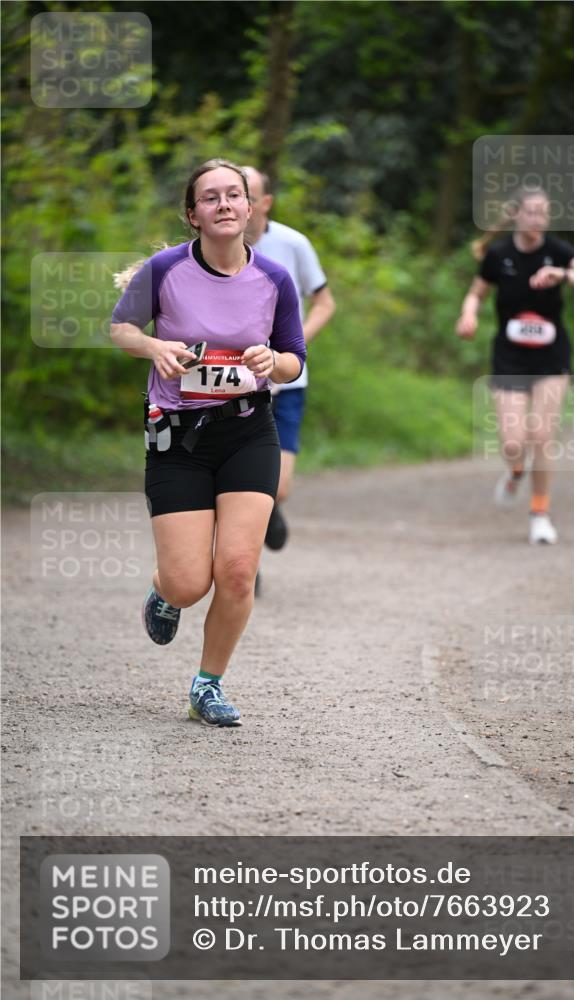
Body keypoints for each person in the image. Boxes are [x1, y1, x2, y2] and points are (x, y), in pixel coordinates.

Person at [110, 158, 306, 726]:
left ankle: (207, 685)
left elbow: (295, 359)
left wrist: (275, 360)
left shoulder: (274, 279)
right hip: (177, 437)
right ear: (193, 214)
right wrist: (155, 348)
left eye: (234, 195)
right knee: (189, 580)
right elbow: (122, 326)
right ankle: (164, 593)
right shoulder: (164, 270)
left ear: (251, 208)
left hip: (248, 429)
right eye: (210, 197)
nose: (224, 204)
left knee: (239, 569)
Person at [456, 186, 574, 545]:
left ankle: (539, 513)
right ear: (517, 214)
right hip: (509, 356)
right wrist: (468, 314)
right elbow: (477, 292)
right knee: (512, 443)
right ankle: (515, 471)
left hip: (551, 356)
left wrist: (563, 275)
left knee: (541, 437)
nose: (538, 220)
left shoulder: (558, 252)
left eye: (544, 213)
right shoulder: (498, 255)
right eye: (532, 212)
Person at [242, 166, 335, 554]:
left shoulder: (293, 243)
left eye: (245, 195)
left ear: (264, 202)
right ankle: (247, 563)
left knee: (277, 484)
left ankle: (270, 508)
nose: (235, 204)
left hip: (287, 381)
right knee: (238, 477)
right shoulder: (212, 248)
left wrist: (291, 347)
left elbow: (325, 303)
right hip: (237, 381)